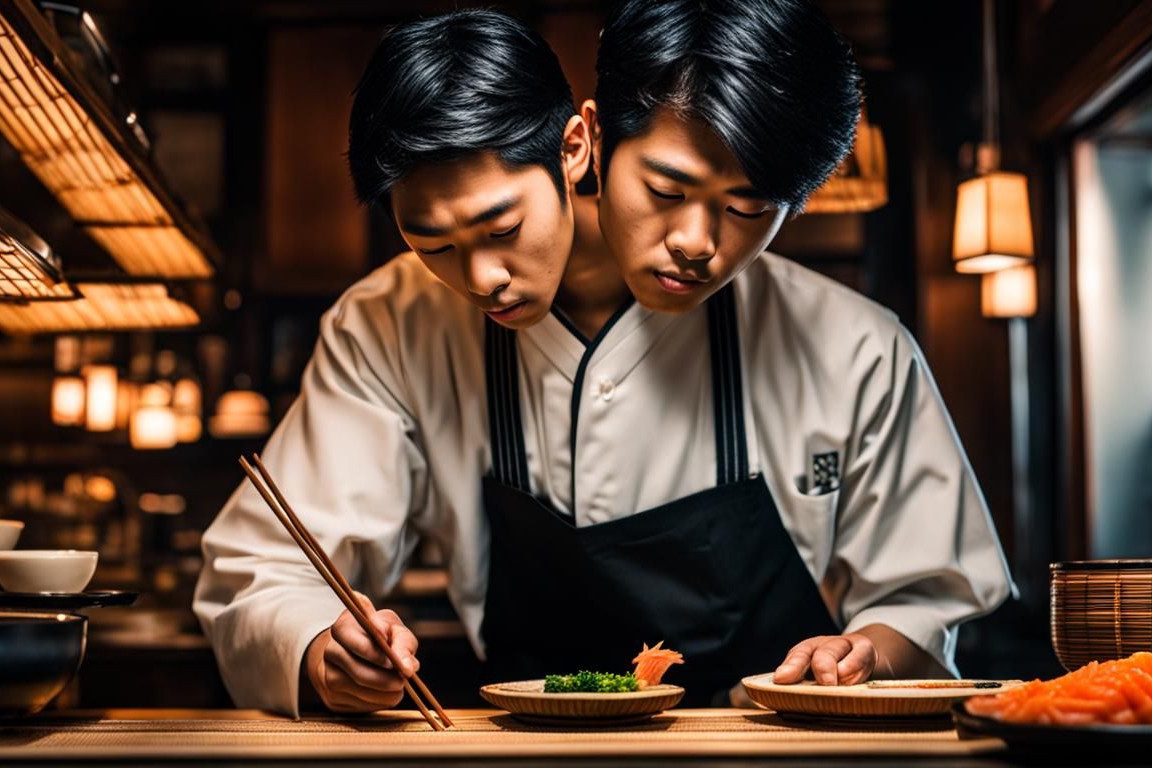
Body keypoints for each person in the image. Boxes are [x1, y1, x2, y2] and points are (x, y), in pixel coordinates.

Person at [194, 2, 1013, 715]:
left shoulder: (857, 348)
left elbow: (928, 601)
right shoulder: (389, 327)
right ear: (594, 143)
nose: (697, 243)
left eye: (747, 208)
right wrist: (319, 650)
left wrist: (868, 650)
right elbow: (268, 572)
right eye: (665, 190)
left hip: (776, 750)